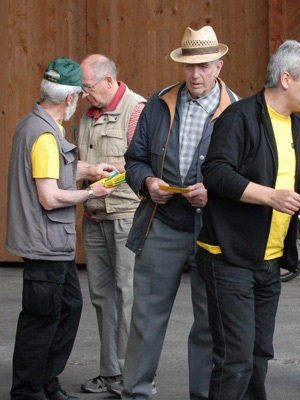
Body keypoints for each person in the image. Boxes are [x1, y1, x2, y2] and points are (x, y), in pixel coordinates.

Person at [109, 26, 240, 399]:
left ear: (219, 65)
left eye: (204, 66)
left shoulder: (238, 110)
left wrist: (214, 194)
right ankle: (136, 392)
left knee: (208, 323)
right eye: (189, 66)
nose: (195, 75)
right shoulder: (158, 103)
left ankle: (203, 395)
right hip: (162, 225)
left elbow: (246, 174)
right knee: (146, 319)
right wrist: (148, 182)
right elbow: (134, 160)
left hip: (212, 230)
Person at [197, 40, 300, 400]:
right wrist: (272, 197)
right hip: (228, 257)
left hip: (268, 260)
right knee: (235, 359)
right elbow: (216, 173)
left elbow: (275, 177)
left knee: (258, 356)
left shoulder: (296, 125)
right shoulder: (238, 117)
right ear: (286, 79)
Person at [5, 57, 116, 400]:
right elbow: (50, 197)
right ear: (69, 98)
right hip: (45, 244)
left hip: (54, 244)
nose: (79, 102)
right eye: (78, 96)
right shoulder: (43, 136)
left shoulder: (38, 124)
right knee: (41, 320)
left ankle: (47, 382)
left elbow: (53, 169)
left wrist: (90, 170)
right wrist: (93, 193)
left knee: (67, 308)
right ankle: (28, 391)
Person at [77, 54, 146, 393]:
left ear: (108, 81)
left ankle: (134, 376)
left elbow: (142, 163)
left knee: (127, 296)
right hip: (93, 217)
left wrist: (100, 172)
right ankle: (110, 373)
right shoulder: (87, 113)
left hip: (126, 218)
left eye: (87, 86)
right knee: (101, 298)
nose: (83, 93)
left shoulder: (136, 110)